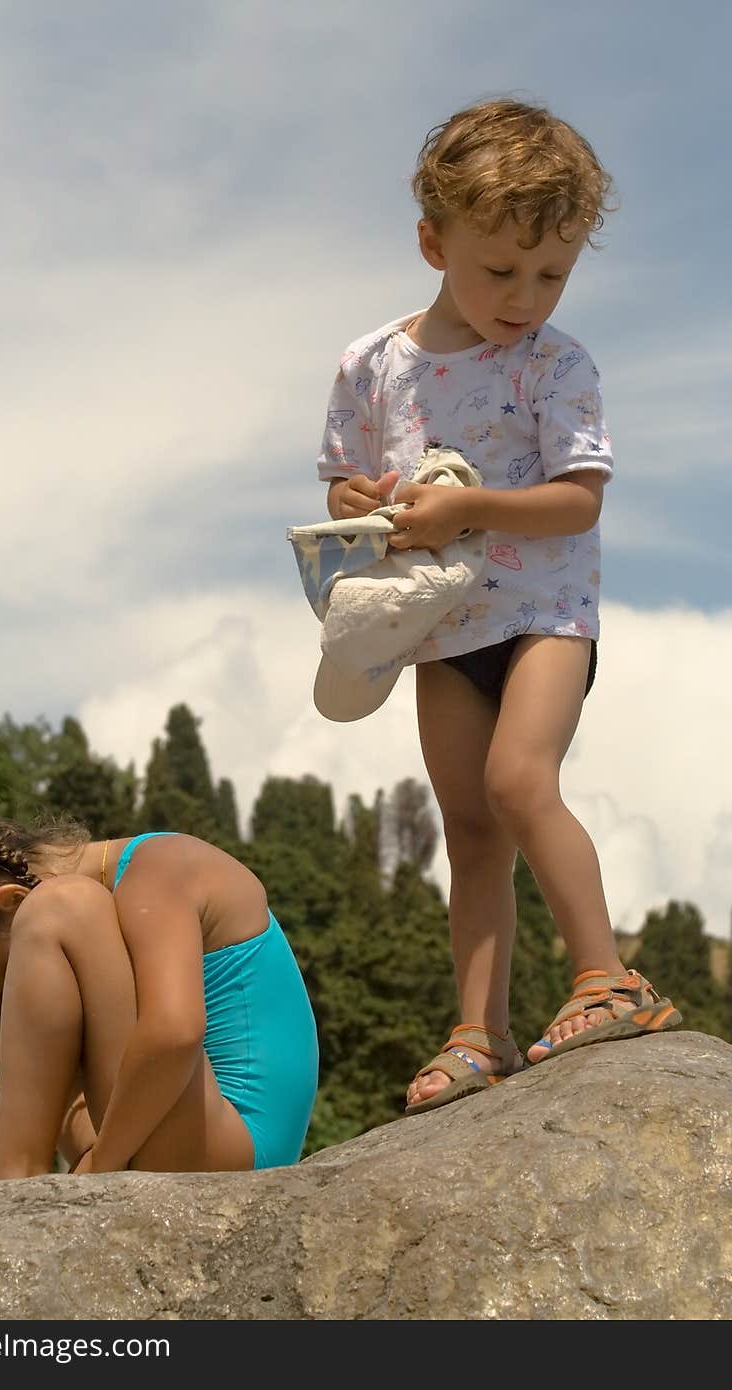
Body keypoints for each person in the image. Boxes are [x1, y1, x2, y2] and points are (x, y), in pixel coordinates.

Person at [316, 98, 681, 1114]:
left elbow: (578, 499)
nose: (526, 296)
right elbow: (344, 480)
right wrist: (354, 502)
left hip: (544, 613)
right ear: (433, 242)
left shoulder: (555, 365)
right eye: (500, 270)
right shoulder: (371, 367)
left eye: (552, 274)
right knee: (468, 827)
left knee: (522, 781)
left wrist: (470, 504)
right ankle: (479, 1031)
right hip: (443, 628)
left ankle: (608, 977)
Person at [0, 817, 319, 1201]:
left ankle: (14, 1189)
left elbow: (175, 1033)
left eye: (7, 984)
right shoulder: (120, 896)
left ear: (14, 898)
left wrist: (101, 1164)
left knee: (61, 907)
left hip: (233, 1149)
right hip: (165, 1127)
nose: (12, 1006)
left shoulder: (159, 867)